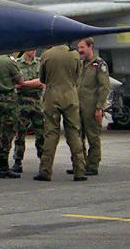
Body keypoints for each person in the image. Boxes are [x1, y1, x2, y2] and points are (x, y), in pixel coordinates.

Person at [36, 44, 87, 181]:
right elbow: (78, 76)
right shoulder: (74, 55)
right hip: (71, 96)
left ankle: (45, 170)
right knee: (74, 132)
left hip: (52, 96)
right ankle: (80, 170)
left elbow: (42, 78)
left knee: (51, 133)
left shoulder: (47, 54)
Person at [76, 37, 111, 176]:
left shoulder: (99, 64)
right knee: (77, 137)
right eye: (79, 48)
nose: (80, 50)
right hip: (78, 106)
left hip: (91, 107)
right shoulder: (80, 64)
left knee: (93, 137)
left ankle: (93, 165)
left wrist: (99, 108)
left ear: (90, 47)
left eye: (82, 47)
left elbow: (105, 87)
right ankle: (80, 164)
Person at [0, 54, 23, 178]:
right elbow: (20, 81)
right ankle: (3, 167)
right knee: (7, 134)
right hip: (8, 100)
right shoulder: (9, 61)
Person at [12, 48, 45, 174]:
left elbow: (41, 82)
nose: (34, 51)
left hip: (37, 103)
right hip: (22, 104)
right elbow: (15, 83)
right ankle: (17, 161)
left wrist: (24, 84)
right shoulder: (17, 64)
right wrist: (32, 83)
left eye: (35, 49)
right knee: (20, 134)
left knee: (41, 134)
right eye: (31, 48)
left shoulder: (40, 63)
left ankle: (43, 161)